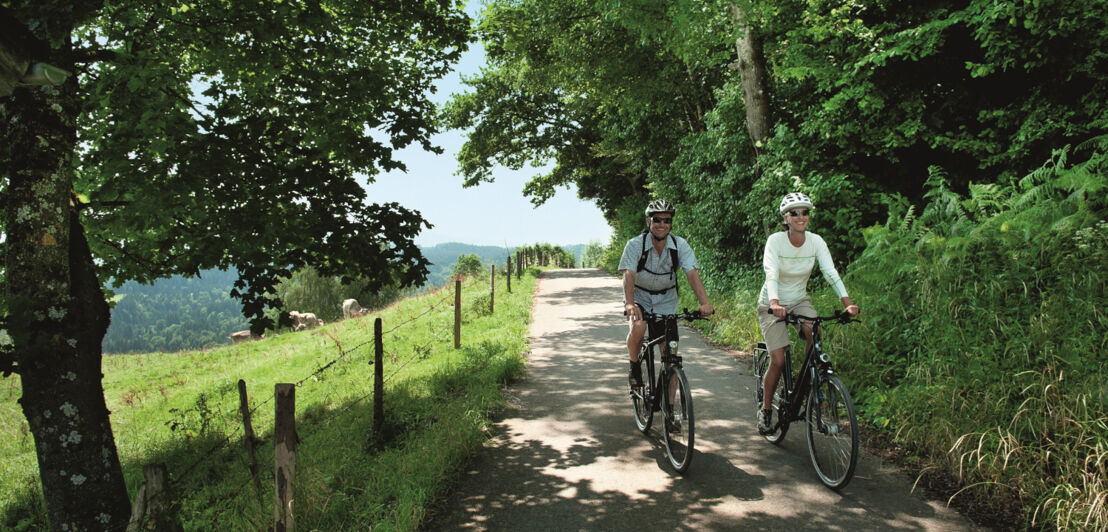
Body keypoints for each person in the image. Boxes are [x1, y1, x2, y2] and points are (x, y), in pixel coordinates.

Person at [756, 192, 859, 434]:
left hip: (799, 300)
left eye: (805, 212)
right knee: (779, 360)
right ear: (785, 218)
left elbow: (830, 272)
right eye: (795, 213)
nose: (801, 217)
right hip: (772, 303)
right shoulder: (775, 241)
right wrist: (774, 302)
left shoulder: (816, 241)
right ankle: (766, 409)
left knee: (815, 333)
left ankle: (808, 383)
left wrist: (847, 303)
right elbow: (771, 273)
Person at [619, 199, 714, 393]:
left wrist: (704, 303)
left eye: (667, 220)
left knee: (671, 357)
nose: (662, 224)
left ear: (671, 223)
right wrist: (629, 303)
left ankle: (670, 415)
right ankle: (634, 366)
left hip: (666, 299)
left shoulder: (680, 245)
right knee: (639, 325)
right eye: (657, 220)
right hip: (640, 296)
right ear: (649, 222)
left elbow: (692, 274)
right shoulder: (635, 244)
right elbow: (628, 274)